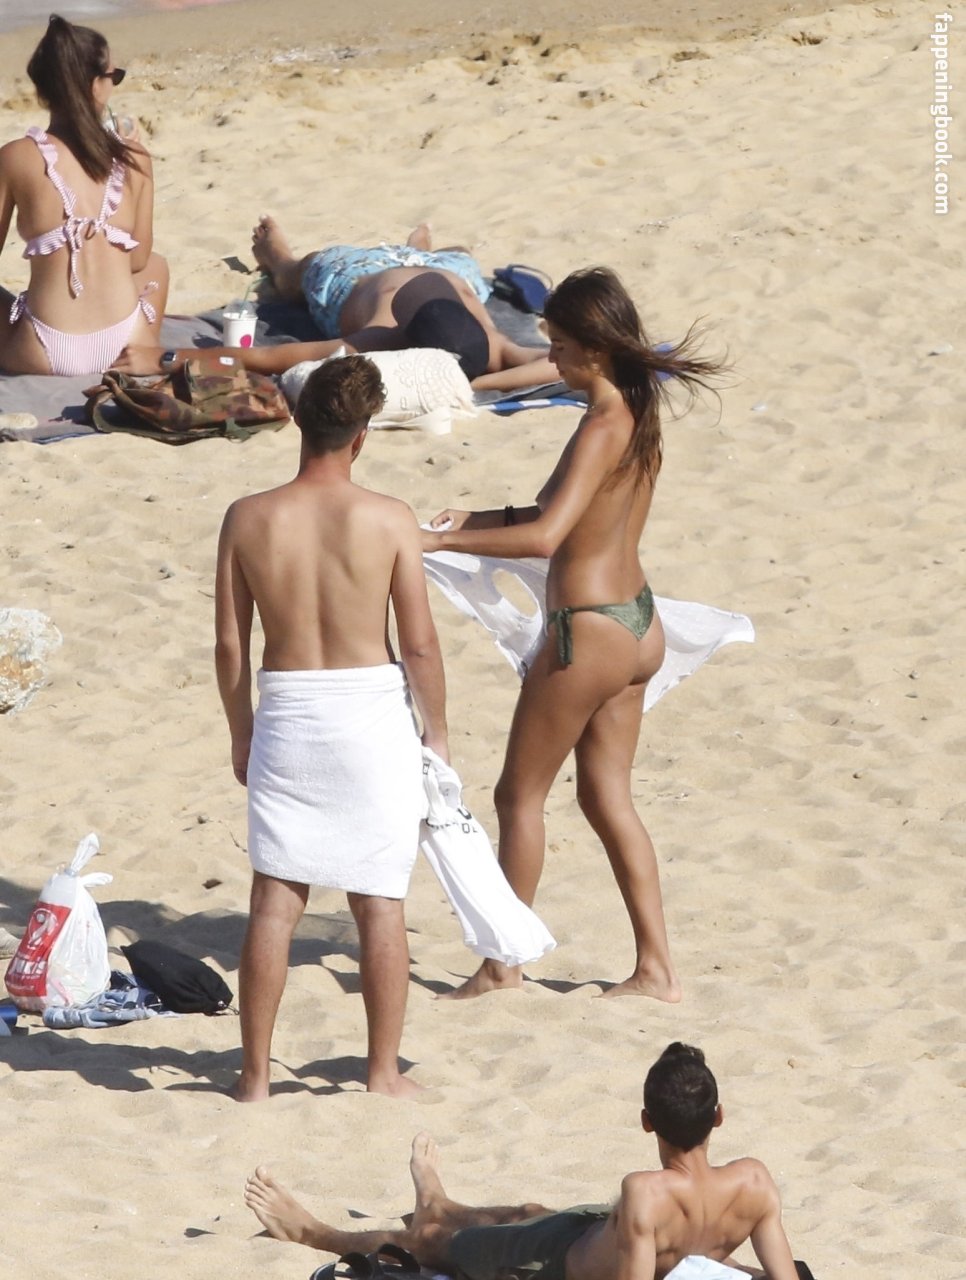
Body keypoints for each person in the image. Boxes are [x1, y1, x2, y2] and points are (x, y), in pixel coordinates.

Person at [420, 267, 727, 1001]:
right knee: (606, 796)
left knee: (518, 797)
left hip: (586, 633)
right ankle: (656, 969)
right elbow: (562, 515)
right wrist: (470, 520)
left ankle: (502, 965)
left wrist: (437, 543)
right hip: (638, 625)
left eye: (558, 345)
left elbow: (546, 537)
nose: (551, 358)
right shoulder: (637, 410)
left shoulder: (599, 425)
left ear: (594, 347)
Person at [215, 354, 448, 1101]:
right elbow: (418, 644)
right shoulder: (389, 517)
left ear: (296, 420)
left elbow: (230, 646)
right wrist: (437, 733)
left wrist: (241, 730)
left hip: (288, 709)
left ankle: (254, 1078)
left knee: (274, 902)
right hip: (370, 713)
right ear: (362, 434)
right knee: (379, 901)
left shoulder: (248, 517)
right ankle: (382, 1072)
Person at [243, 1043, 803, 1280]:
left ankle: (313, 1232)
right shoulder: (754, 1182)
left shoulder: (647, 1193)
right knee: (530, 1212)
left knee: (431, 1242)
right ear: (719, 1116)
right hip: (584, 1232)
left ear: (646, 1122)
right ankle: (439, 1201)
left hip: (553, 1264)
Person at [114, 217, 557, 391]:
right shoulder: (491, 346)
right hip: (434, 271)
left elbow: (260, 358)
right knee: (458, 254)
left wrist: (165, 357)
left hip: (367, 275)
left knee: (297, 276)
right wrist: (480, 385)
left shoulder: (380, 341)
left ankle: (280, 259)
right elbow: (559, 364)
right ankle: (416, 248)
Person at [0, 14, 168, 376]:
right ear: (96, 86)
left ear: (42, 89)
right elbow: (138, 260)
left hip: (42, 351)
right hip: (125, 344)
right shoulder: (134, 157)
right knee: (157, 265)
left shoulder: (16, 156)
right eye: (115, 76)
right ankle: (140, 352)